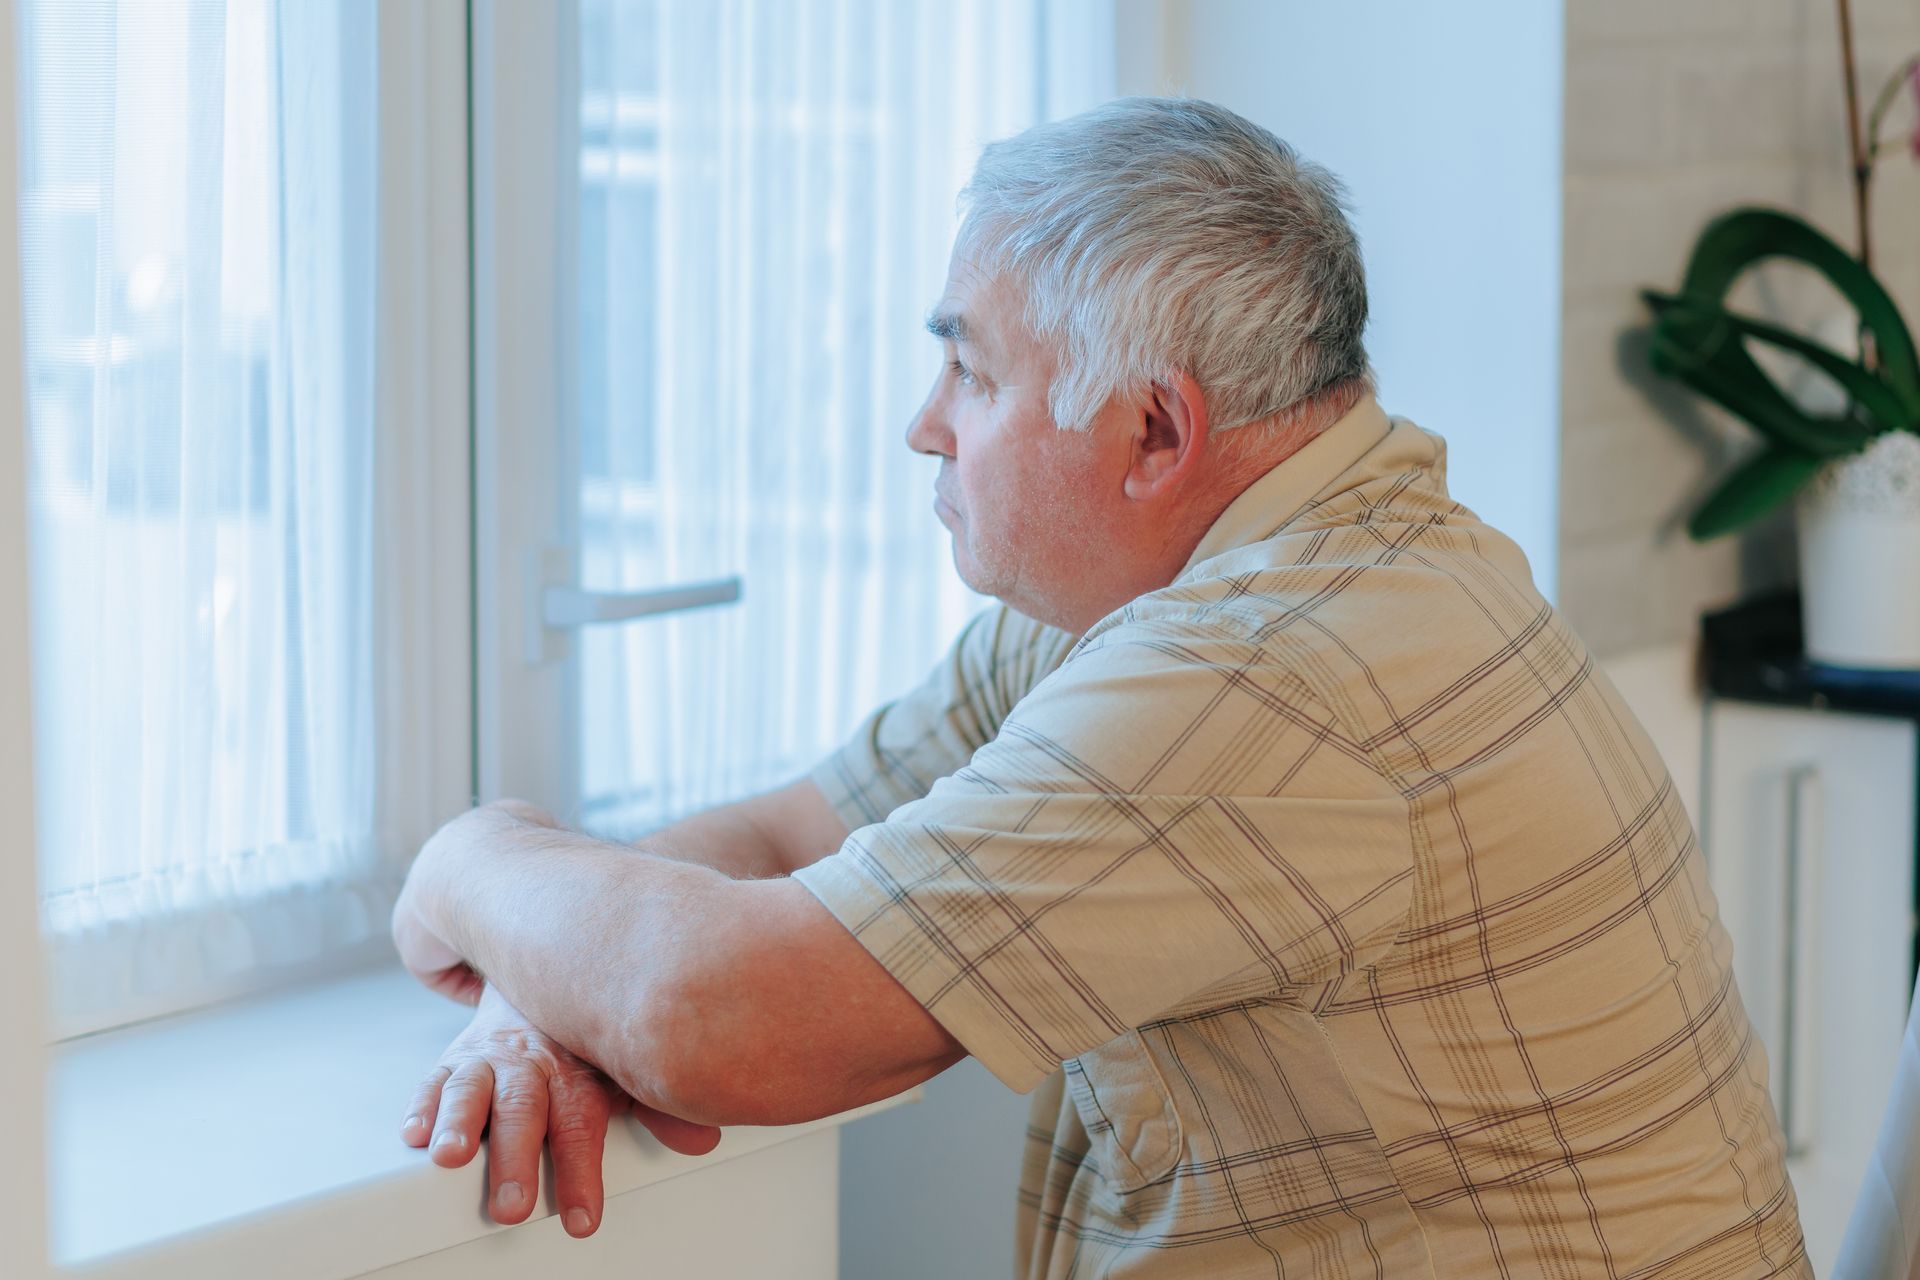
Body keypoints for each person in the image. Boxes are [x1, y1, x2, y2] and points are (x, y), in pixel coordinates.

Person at [391, 97, 1809, 1277]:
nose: (923, 426)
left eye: (971, 370)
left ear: (1150, 430)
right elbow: (779, 845)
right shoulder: (1190, 583)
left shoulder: (1268, 673)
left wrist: (472, 859)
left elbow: (713, 1015)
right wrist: (534, 990)